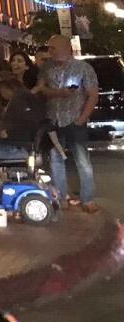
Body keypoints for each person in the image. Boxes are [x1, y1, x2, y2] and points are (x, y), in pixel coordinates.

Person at [35, 34, 100, 213]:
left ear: (65, 48)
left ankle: (87, 198)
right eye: (50, 48)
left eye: (53, 48)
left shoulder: (83, 68)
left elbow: (93, 94)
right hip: (53, 119)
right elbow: (41, 89)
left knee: (82, 160)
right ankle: (61, 195)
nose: (50, 52)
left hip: (74, 118)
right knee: (56, 158)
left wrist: (82, 118)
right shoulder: (46, 68)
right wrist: (57, 93)